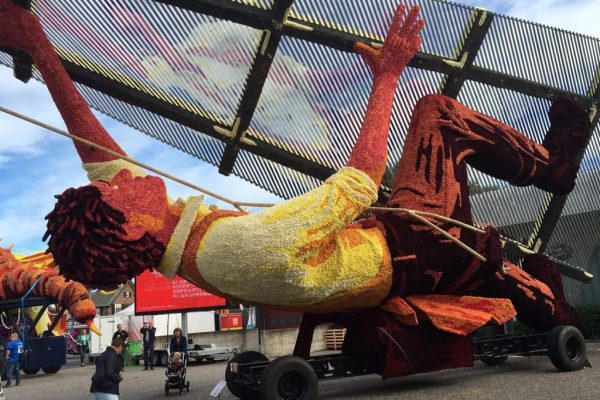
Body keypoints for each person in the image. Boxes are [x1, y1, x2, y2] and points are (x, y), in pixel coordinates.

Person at [0, 2, 585, 345]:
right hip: (413, 244)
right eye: (118, 194)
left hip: (390, 241)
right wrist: (387, 74)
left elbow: (96, 156)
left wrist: (43, 52)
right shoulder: (237, 247)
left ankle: (531, 277)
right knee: (436, 116)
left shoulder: (184, 240)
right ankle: (555, 170)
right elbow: (358, 182)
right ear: (131, 230)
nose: (122, 176)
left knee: (440, 136)